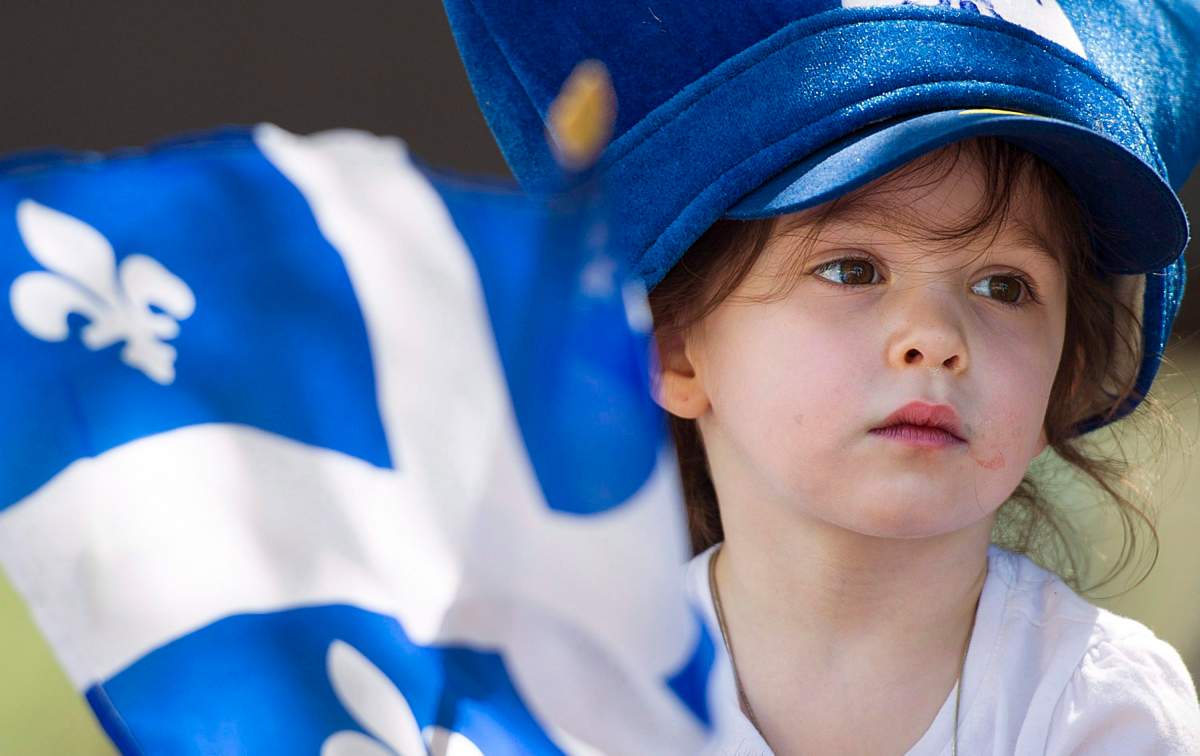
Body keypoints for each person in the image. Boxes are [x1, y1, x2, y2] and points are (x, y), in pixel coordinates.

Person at [443, 0, 1200, 751]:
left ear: (1060, 382)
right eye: (852, 270)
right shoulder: (558, 710)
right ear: (675, 352)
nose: (935, 339)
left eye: (1004, 286)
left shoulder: (1096, 707)